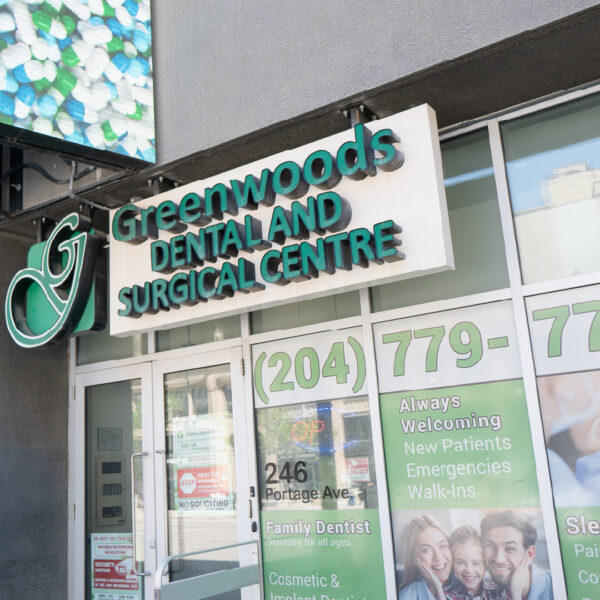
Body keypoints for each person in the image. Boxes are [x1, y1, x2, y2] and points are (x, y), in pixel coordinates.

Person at [480, 511, 553, 600]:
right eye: (491, 546)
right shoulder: (482, 587)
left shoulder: (556, 585)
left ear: (530, 554)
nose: (499, 559)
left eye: (510, 548)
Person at [398, 515, 455, 600]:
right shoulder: (407, 596)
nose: (438, 557)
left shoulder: (466, 584)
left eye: (442, 546)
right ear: (414, 559)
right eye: (426, 550)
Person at [444, 526, 508, 600]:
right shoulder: (447, 597)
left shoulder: (499, 592)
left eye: (476, 563)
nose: (469, 570)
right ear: (452, 564)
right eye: (460, 563)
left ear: (485, 564)